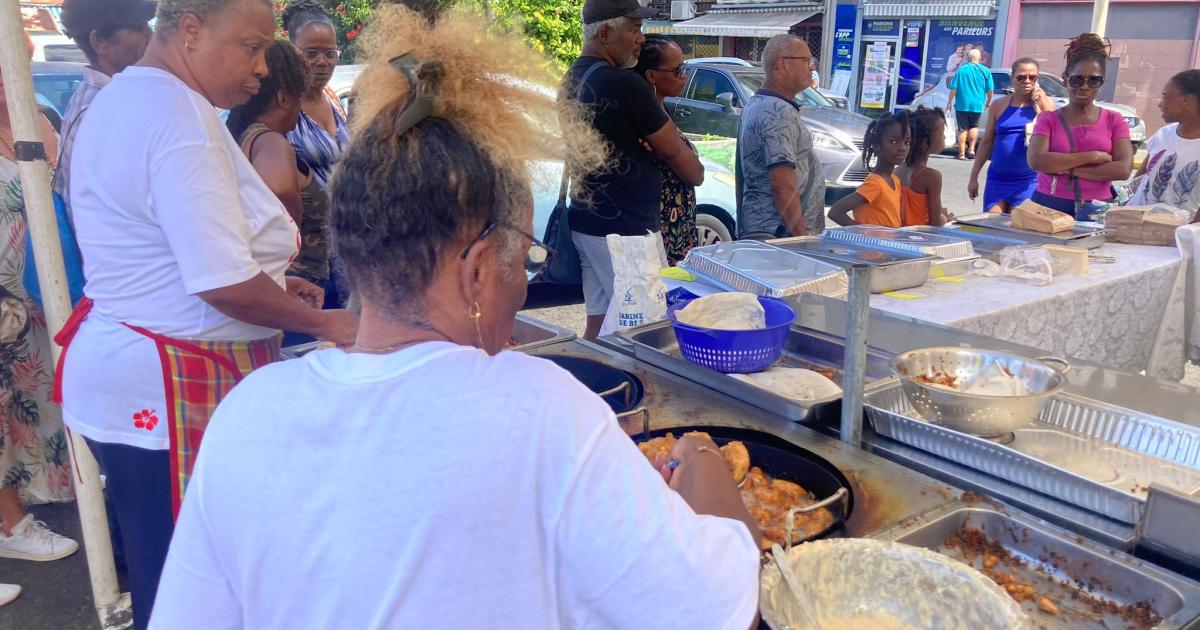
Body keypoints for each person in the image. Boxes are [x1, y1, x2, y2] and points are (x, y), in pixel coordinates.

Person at [150, 5, 761, 628]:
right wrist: (705, 463)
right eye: (520, 258)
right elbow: (718, 606)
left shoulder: (249, 412)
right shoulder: (540, 410)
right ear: (475, 271)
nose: (521, 288)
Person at [58, 0, 359, 626]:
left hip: (133, 370)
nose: (263, 68)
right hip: (166, 386)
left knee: (163, 568)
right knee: (185, 582)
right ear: (190, 30)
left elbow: (171, 249)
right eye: (250, 47)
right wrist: (331, 323)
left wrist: (277, 290)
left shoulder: (134, 97)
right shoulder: (175, 117)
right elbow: (220, 282)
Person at [565, 0, 703, 340]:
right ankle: (627, 393)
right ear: (606, 32)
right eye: (634, 28)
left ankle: (590, 390)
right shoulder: (626, 85)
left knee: (598, 327)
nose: (640, 39)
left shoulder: (573, 77)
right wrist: (662, 144)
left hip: (587, 222)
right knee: (643, 335)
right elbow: (690, 168)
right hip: (625, 234)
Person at [0, 32, 78, 608]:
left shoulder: (39, 120)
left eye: (17, 61)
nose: (13, 72)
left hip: (36, 307)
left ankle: (25, 503)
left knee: (29, 413)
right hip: (6, 303)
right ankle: (10, 525)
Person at [226, 41, 330, 288]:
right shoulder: (271, 142)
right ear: (284, 98)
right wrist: (291, 231)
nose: (300, 108)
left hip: (280, 279)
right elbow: (279, 187)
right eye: (299, 99)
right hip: (301, 282)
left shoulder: (245, 136)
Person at [56, 0, 155, 218]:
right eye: (139, 28)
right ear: (99, 41)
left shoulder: (108, 98)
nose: (151, 36)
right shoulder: (99, 110)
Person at [1027, 34, 1132, 219]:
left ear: (1102, 83)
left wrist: (1065, 168)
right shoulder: (1048, 119)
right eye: (1077, 79)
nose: (1084, 87)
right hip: (1048, 205)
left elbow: (1123, 169)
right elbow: (1036, 161)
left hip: (1097, 209)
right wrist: (1092, 156)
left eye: (1093, 80)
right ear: (1066, 79)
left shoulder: (1115, 120)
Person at [737, 34, 825, 239]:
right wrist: (801, 239)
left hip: (769, 233)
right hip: (779, 237)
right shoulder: (777, 112)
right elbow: (782, 184)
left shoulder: (760, 103)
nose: (812, 68)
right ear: (783, 65)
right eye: (806, 61)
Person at [633, 35, 698, 265]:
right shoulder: (651, 121)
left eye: (685, 67)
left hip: (677, 226)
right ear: (652, 76)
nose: (684, 75)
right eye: (678, 69)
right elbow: (695, 174)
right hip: (663, 231)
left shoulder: (662, 112)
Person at [968, 57, 1056, 214]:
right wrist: (973, 177)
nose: (1027, 81)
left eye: (1032, 77)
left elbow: (1055, 137)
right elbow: (987, 142)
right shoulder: (999, 105)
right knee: (992, 227)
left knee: (1018, 228)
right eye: (1021, 77)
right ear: (1013, 79)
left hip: (1028, 181)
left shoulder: (1045, 104)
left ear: (1037, 79)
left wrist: (1042, 103)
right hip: (998, 179)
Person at [282, 0, 348, 191]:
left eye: (330, 53)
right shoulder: (281, 104)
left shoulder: (332, 98)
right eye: (311, 53)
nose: (322, 62)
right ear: (292, 51)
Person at [1128, 70, 1200, 218]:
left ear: (1185, 101)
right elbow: (1141, 177)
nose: (1160, 104)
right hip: (1134, 226)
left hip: (1176, 236)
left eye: (1165, 97)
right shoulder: (1164, 134)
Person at [829, 111, 911, 227]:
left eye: (907, 142)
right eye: (893, 141)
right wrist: (863, 235)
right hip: (874, 245)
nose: (902, 148)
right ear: (876, 146)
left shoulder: (894, 180)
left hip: (889, 244)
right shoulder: (875, 184)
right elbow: (835, 212)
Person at [898, 106, 948, 226]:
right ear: (926, 142)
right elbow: (935, 223)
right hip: (921, 238)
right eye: (942, 133)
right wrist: (945, 217)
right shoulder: (932, 177)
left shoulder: (897, 171)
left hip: (899, 235)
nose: (944, 137)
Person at [947, 48, 993, 160]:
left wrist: (949, 101)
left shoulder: (961, 70)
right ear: (979, 58)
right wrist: (988, 101)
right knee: (974, 126)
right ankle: (971, 149)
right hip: (977, 105)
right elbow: (990, 89)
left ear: (968, 58)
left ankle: (962, 154)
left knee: (962, 128)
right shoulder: (986, 71)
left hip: (962, 104)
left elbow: (953, 88)